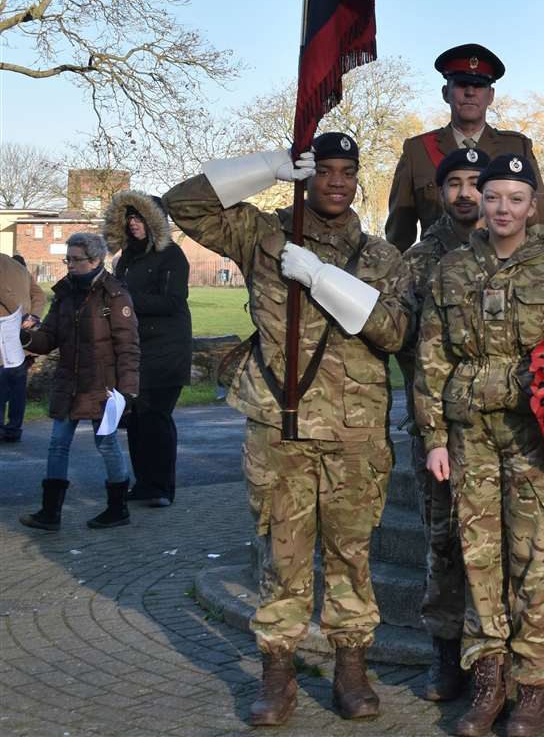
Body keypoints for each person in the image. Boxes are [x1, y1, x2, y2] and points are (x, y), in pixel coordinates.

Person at [167, 132, 412, 725]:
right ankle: (277, 673)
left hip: (355, 433)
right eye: (321, 170)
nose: (334, 181)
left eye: (345, 172)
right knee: (283, 553)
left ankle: (351, 667)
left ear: (358, 180)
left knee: (351, 554)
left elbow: (394, 332)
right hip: (281, 424)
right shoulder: (262, 236)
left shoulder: (381, 256)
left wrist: (323, 279)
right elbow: (183, 204)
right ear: (306, 177)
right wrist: (266, 166)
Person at [416, 153, 544, 737]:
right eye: (492, 196)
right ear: (480, 201)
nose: (502, 207)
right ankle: (487, 677)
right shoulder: (451, 270)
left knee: (541, 562)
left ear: (533, 206)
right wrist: (433, 437)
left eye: (514, 197)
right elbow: (432, 358)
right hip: (471, 434)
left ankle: (533, 687)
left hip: (539, 436)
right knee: (479, 562)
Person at [398, 147, 486, 704]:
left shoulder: (509, 249)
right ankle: (445, 654)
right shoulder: (421, 258)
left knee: (492, 545)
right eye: (454, 182)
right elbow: (405, 342)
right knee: (443, 541)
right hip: (436, 423)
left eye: (476, 181)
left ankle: (489, 657)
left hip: (495, 428)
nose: (466, 193)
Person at [17, 233, 140, 531]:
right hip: (68, 383)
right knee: (57, 445)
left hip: (103, 386)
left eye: (75, 259)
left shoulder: (114, 295)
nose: (69, 265)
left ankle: (117, 508)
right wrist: (24, 336)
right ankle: (50, 512)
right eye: (67, 259)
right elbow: (49, 337)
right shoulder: (65, 293)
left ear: (95, 260)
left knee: (107, 444)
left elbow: (128, 345)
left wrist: (128, 390)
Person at [386, 43, 544, 252]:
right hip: (437, 273)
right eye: (462, 84)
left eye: (479, 86)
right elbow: (398, 237)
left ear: (490, 96)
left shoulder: (517, 148)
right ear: (446, 93)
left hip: (506, 276)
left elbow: (540, 225)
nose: (470, 92)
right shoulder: (417, 151)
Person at [104, 191, 192, 509]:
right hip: (137, 349)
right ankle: (144, 484)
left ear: (155, 222)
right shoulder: (126, 257)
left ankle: (161, 487)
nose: (134, 224)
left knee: (157, 417)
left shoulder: (172, 256)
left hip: (168, 348)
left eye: (140, 219)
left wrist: (125, 300)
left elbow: (172, 301)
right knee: (138, 419)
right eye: (130, 219)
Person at [1, 252, 46, 442]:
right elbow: (39, 294)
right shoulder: (18, 266)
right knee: (17, 384)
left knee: (2, 383)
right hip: (22, 337)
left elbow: (3, 292)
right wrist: (33, 316)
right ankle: (13, 429)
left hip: (5, 332)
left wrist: (21, 316)